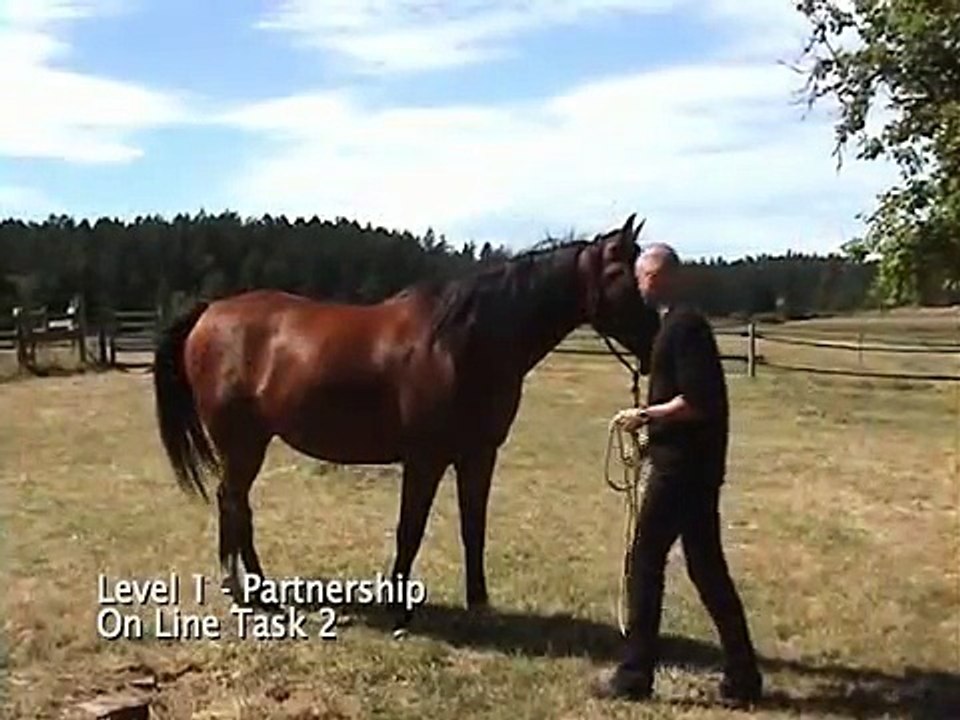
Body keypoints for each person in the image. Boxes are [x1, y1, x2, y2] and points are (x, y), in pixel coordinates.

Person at [591, 242, 763, 706]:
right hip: (693, 467)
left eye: (644, 277)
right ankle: (744, 676)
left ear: (661, 276)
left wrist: (645, 415)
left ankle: (634, 675)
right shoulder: (678, 324)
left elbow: (697, 399)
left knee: (645, 561)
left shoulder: (685, 327)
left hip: (683, 471)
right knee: (707, 570)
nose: (640, 286)